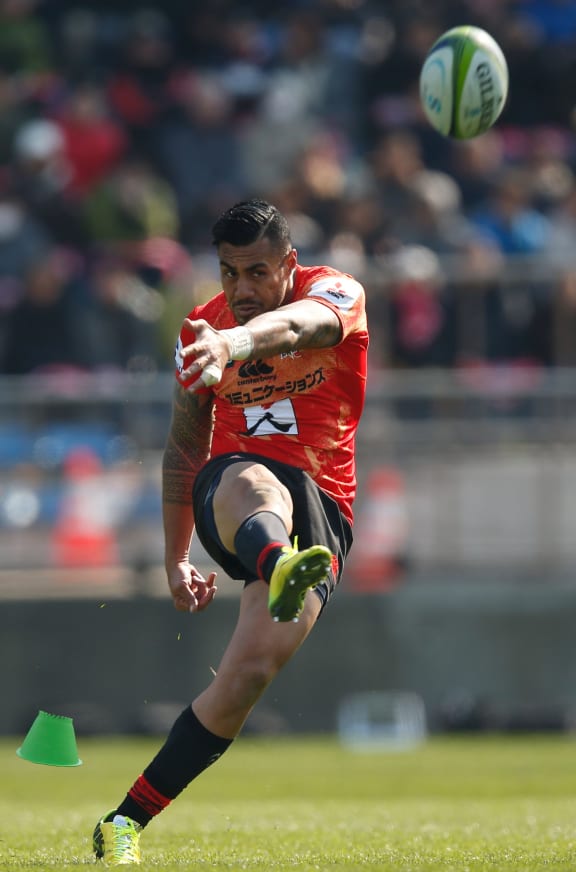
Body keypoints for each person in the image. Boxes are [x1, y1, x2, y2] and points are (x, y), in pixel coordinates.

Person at [92, 198, 369, 865]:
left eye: (256, 272)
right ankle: (276, 563)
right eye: (228, 273)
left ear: (289, 264)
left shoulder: (336, 290)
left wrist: (232, 344)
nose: (242, 289)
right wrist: (173, 558)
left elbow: (300, 325)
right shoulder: (199, 331)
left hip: (324, 506)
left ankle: (122, 822)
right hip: (235, 494)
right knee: (251, 479)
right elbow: (185, 453)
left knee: (246, 676)